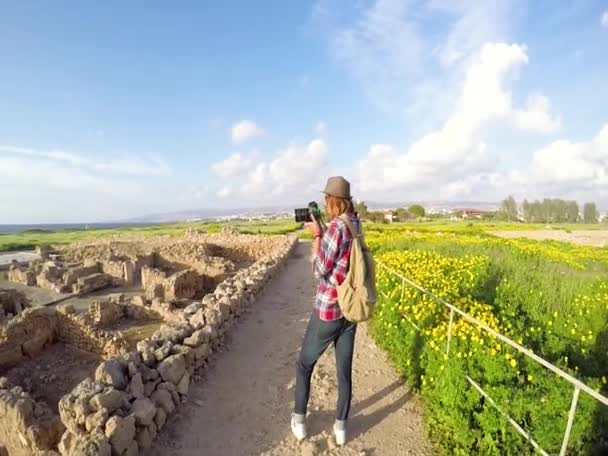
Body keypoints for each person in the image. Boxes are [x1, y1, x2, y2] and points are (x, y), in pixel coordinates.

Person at [291, 176, 362, 446]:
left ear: (332, 201)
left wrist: (318, 235)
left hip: (329, 309)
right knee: (344, 371)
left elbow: (319, 270)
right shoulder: (356, 224)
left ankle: (299, 422)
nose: (323, 203)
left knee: (304, 364)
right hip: (351, 310)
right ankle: (341, 428)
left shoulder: (335, 229)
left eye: (325, 199)